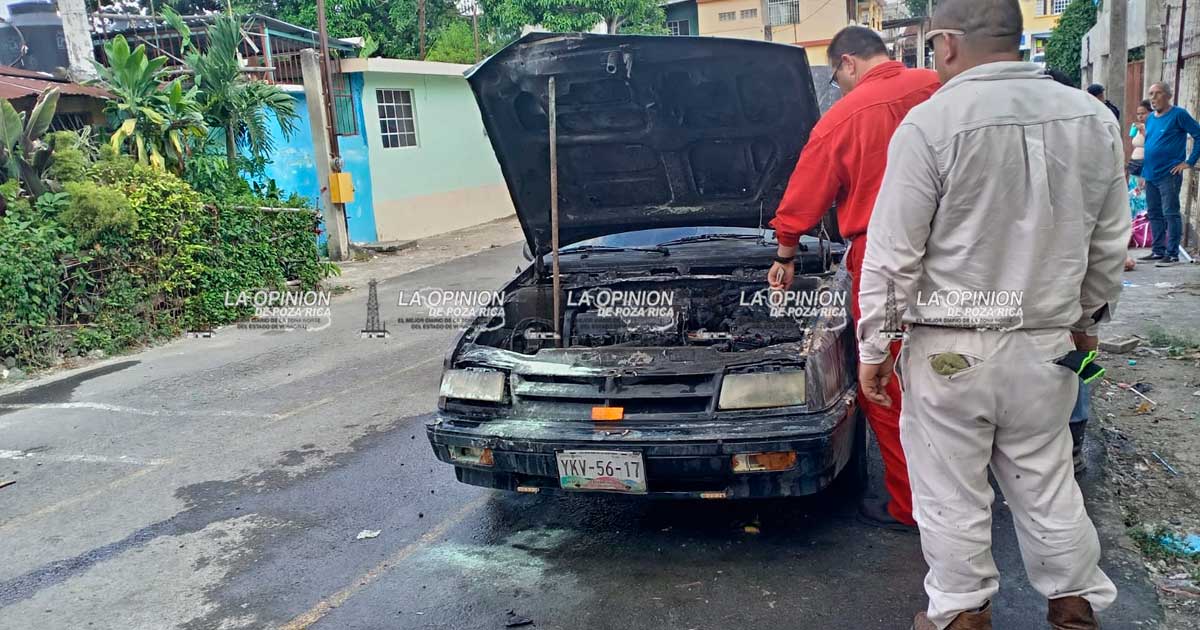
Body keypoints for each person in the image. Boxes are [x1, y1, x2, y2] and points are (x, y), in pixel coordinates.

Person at [856, 0, 1126, 628]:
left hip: (951, 351)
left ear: (946, 44)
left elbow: (893, 255)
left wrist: (875, 348)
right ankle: (1074, 607)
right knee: (1048, 478)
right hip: (1048, 346)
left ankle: (962, 614)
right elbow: (1110, 246)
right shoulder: (1092, 119)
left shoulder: (931, 124)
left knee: (951, 491)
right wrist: (1085, 324)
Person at [766, 25, 939, 532]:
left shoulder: (844, 116)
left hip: (882, 260)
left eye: (837, 78)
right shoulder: (939, 88)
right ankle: (968, 490)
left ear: (846, 62)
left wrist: (786, 253)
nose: (840, 88)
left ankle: (911, 507)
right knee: (955, 373)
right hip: (959, 256)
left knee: (883, 382)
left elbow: (805, 194)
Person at [1139, 82, 1200, 267]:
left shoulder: (1178, 115)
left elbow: (1198, 135)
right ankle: (1158, 250)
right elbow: (1149, 146)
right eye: (1151, 94)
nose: (1153, 98)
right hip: (1150, 173)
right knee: (1154, 213)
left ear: (1168, 96)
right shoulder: (1150, 119)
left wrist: (1188, 162)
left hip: (1169, 174)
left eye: (1157, 94)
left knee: (1170, 213)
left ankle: (1172, 253)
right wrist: (1143, 173)